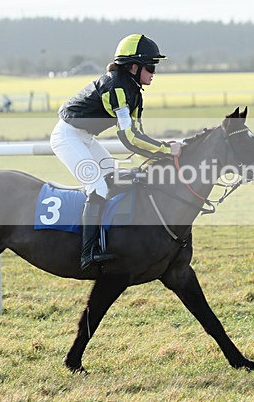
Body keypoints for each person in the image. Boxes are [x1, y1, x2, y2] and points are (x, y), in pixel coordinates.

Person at [51, 34, 182, 268]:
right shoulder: (117, 88)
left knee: (113, 175)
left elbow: (137, 135)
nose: (154, 72)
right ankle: (87, 253)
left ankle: (111, 239)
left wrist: (161, 153)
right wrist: (165, 150)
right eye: (150, 66)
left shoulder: (134, 92)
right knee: (99, 186)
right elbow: (129, 138)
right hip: (67, 136)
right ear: (134, 66)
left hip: (85, 138)